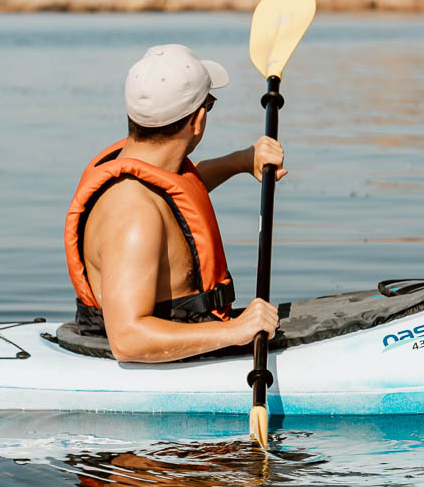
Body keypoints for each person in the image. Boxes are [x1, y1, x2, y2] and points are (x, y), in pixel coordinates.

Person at [65, 44, 284, 363]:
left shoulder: (144, 170)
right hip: (152, 351)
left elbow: (176, 193)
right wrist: (237, 331)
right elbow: (127, 340)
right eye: (209, 104)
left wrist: (240, 161)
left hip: (192, 327)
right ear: (197, 120)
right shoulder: (133, 213)